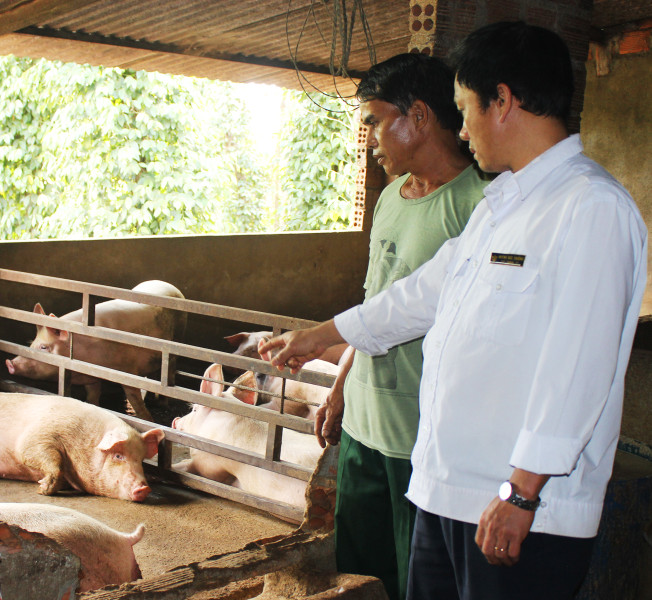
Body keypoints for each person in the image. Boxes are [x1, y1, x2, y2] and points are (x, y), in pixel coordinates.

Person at [261, 21, 647, 600]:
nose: (462, 129)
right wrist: (323, 336)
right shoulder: (501, 207)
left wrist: (522, 491)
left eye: (465, 108)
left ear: (504, 101)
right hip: (446, 489)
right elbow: (419, 296)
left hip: (518, 508)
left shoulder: (590, 208)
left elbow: (579, 368)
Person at [312, 53, 487, 600]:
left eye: (375, 120)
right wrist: (342, 387)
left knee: (419, 582)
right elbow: (375, 305)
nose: (371, 138)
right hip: (365, 425)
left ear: (418, 117)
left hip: (421, 440)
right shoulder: (389, 197)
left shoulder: (477, 205)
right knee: (360, 574)